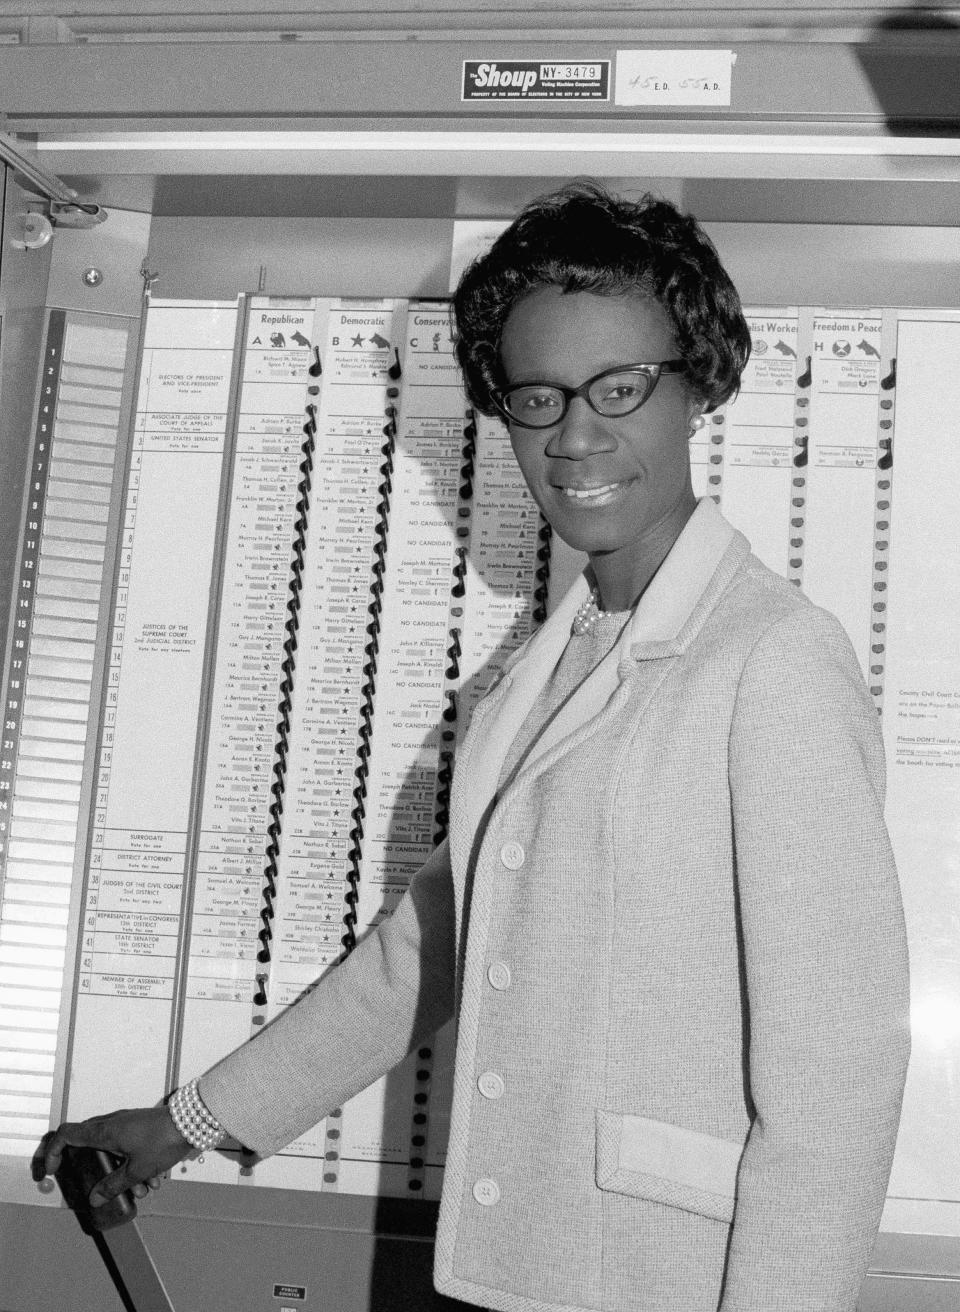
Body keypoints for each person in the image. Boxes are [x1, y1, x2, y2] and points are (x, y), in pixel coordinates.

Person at [35, 183, 911, 1312]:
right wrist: (186, 1122)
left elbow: (838, 1077)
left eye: (620, 387)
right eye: (537, 397)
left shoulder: (772, 658)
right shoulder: (551, 667)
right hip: (520, 1271)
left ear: (698, 382)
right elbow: (425, 954)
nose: (576, 435)